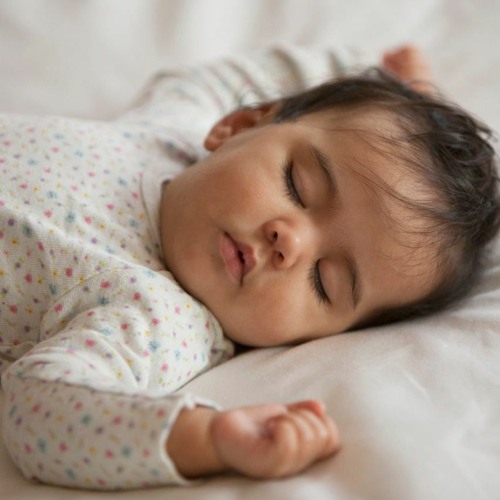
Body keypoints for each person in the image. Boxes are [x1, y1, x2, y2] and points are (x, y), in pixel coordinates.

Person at [0, 44, 498, 489]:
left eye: (324, 282)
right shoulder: (169, 133)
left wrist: (208, 439)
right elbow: (233, 77)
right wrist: (401, 90)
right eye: (298, 186)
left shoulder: (155, 322)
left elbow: (42, 408)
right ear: (240, 126)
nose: (290, 244)